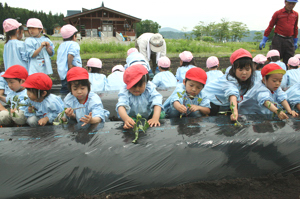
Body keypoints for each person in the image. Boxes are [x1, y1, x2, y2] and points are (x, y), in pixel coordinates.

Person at [201, 48, 255, 120]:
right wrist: (234, 112)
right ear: (234, 69)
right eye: (240, 70)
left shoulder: (249, 79)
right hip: (209, 100)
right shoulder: (230, 80)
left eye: (247, 69)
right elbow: (232, 94)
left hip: (220, 102)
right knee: (213, 118)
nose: (244, 73)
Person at [116, 64, 163, 129]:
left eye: (140, 86)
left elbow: (157, 102)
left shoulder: (149, 88)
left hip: (148, 114)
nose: (137, 89)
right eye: (133, 86)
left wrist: (155, 118)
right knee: (132, 124)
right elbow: (121, 106)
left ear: (146, 83)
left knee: (161, 114)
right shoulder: (125, 91)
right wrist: (126, 119)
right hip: (132, 116)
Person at [259, 0, 298, 65]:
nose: (291, 5)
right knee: (275, 59)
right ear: (285, 2)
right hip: (278, 39)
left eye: (293, 4)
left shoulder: (295, 14)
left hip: (289, 40)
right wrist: (264, 39)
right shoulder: (278, 13)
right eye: (289, 3)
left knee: (289, 60)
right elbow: (270, 26)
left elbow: (295, 28)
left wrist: (295, 40)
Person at [56, 24, 82, 94]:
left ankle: (64, 101)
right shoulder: (74, 44)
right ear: (74, 36)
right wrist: (70, 65)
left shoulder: (61, 45)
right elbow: (71, 55)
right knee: (74, 89)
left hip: (62, 72)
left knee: (65, 89)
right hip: (73, 72)